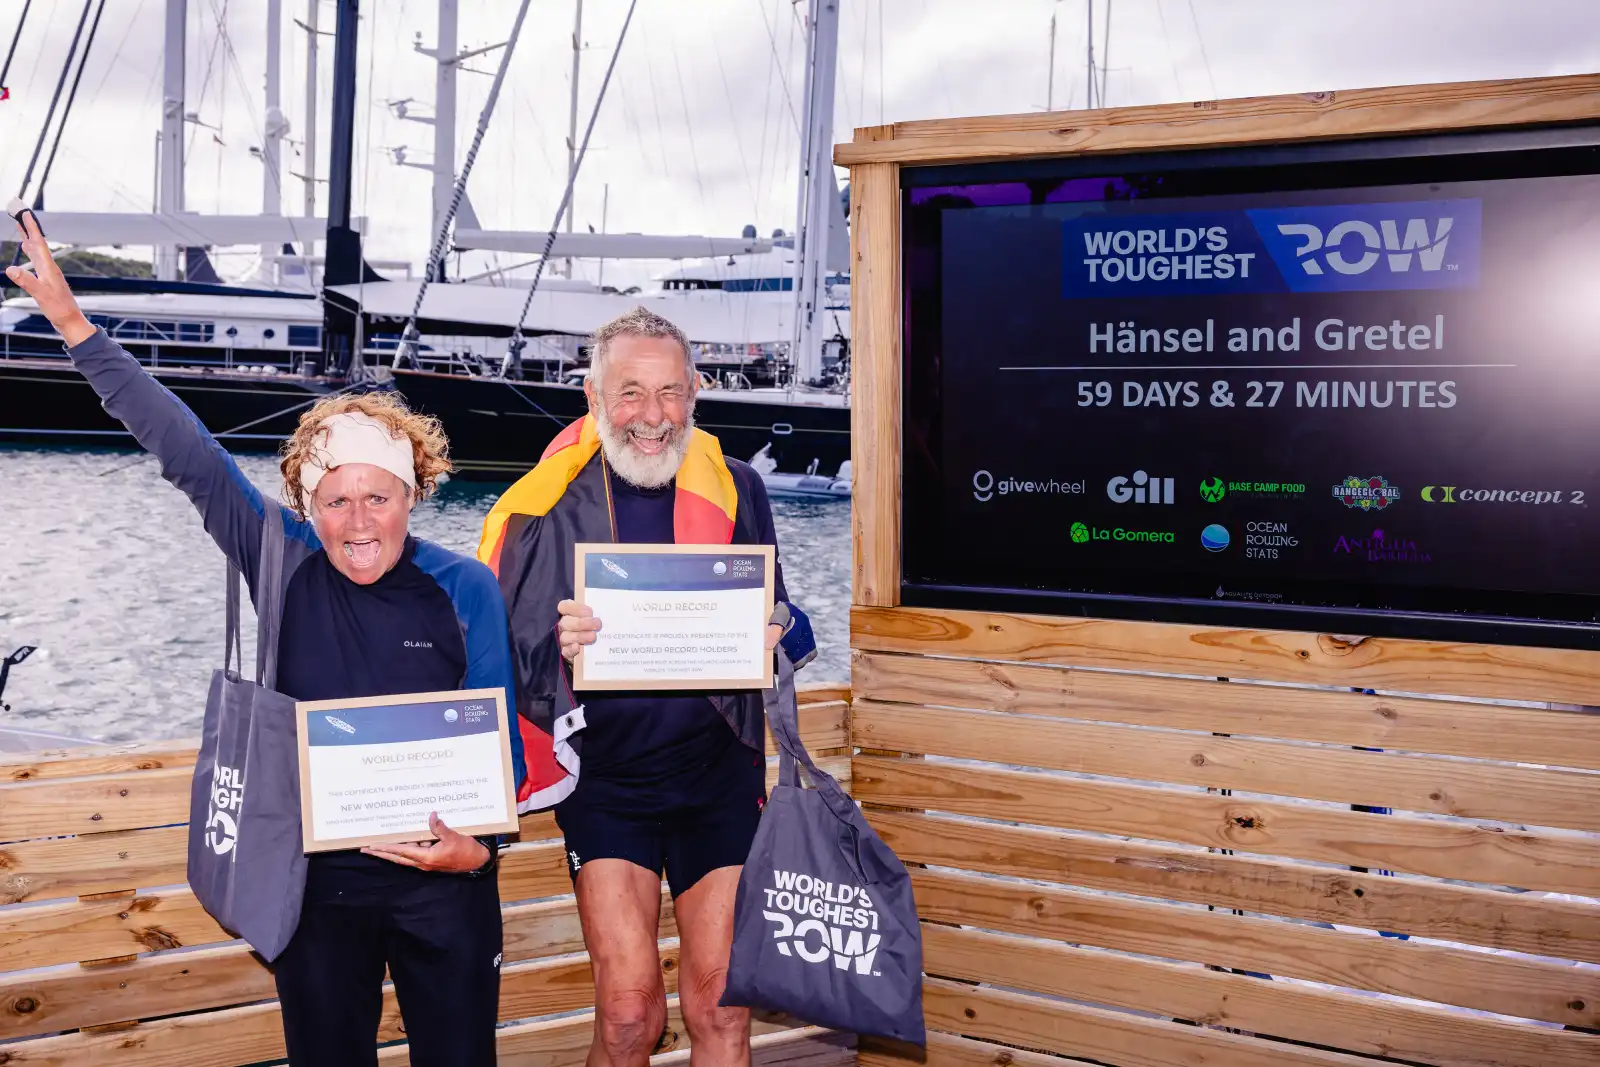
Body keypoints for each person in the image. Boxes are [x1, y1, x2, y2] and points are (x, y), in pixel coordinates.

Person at [5, 211, 526, 1067]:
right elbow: (188, 450)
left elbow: (500, 743)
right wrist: (74, 326)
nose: (358, 521)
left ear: (413, 492)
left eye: (379, 496)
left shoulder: (464, 585)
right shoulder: (279, 557)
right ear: (306, 505)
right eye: (335, 500)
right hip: (314, 888)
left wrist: (481, 850)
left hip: (446, 884)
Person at [479, 307, 816, 1067]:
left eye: (670, 392)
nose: (653, 415)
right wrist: (560, 648)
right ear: (593, 396)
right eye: (630, 392)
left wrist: (777, 631)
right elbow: (501, 655)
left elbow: (789, 620)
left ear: (694, 392)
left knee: (723, 1006)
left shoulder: (738, 486)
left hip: (718, 776)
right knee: (630, 1012)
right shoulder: (543, 504)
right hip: (606, 783)